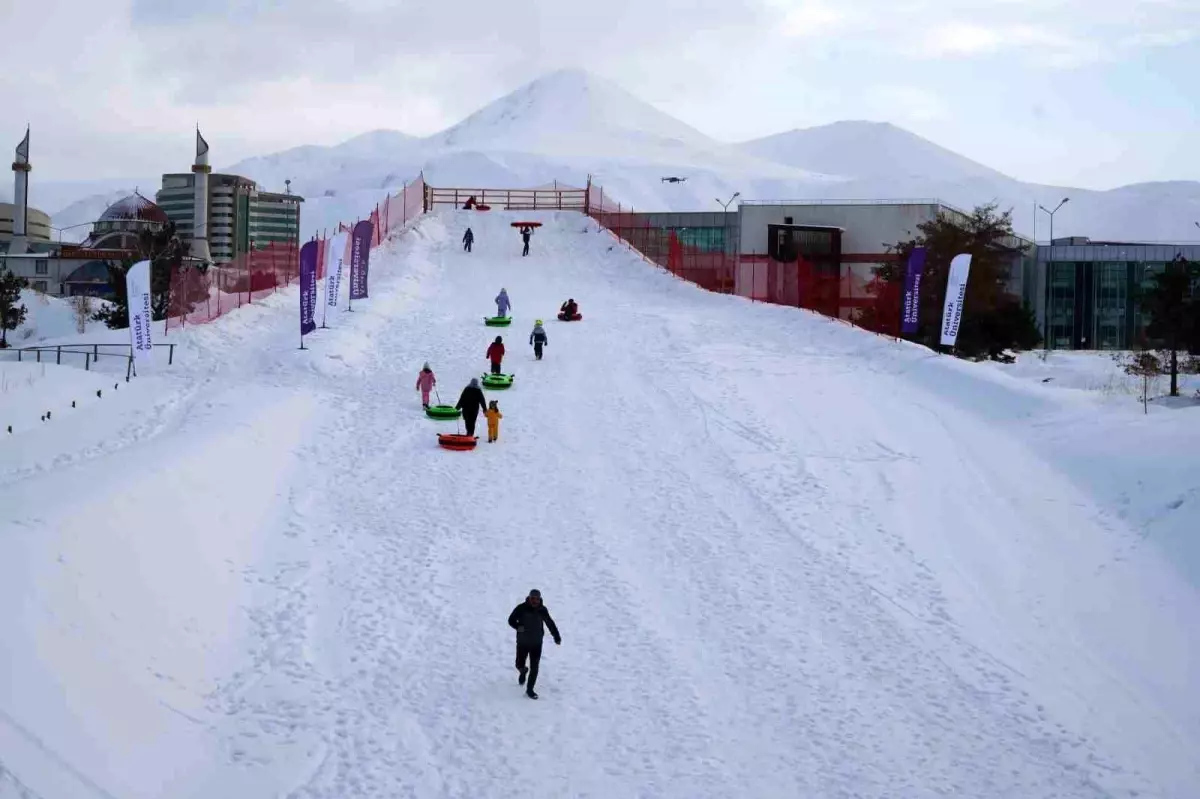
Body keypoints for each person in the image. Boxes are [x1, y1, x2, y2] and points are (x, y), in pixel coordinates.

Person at [507, 589, 561, 700]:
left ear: (540, 599)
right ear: (529, 598)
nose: (535, 601)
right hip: (522, 642)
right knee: (519, 664)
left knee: (535, 667)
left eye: (537, 599)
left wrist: (556, 636)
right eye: (533, 599)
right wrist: (519, 628)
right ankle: (522, 670)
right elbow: (511, 620)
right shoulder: (521, 608)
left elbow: (550, 623)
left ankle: (530, 689)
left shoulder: (542, 610)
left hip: (537, 643)